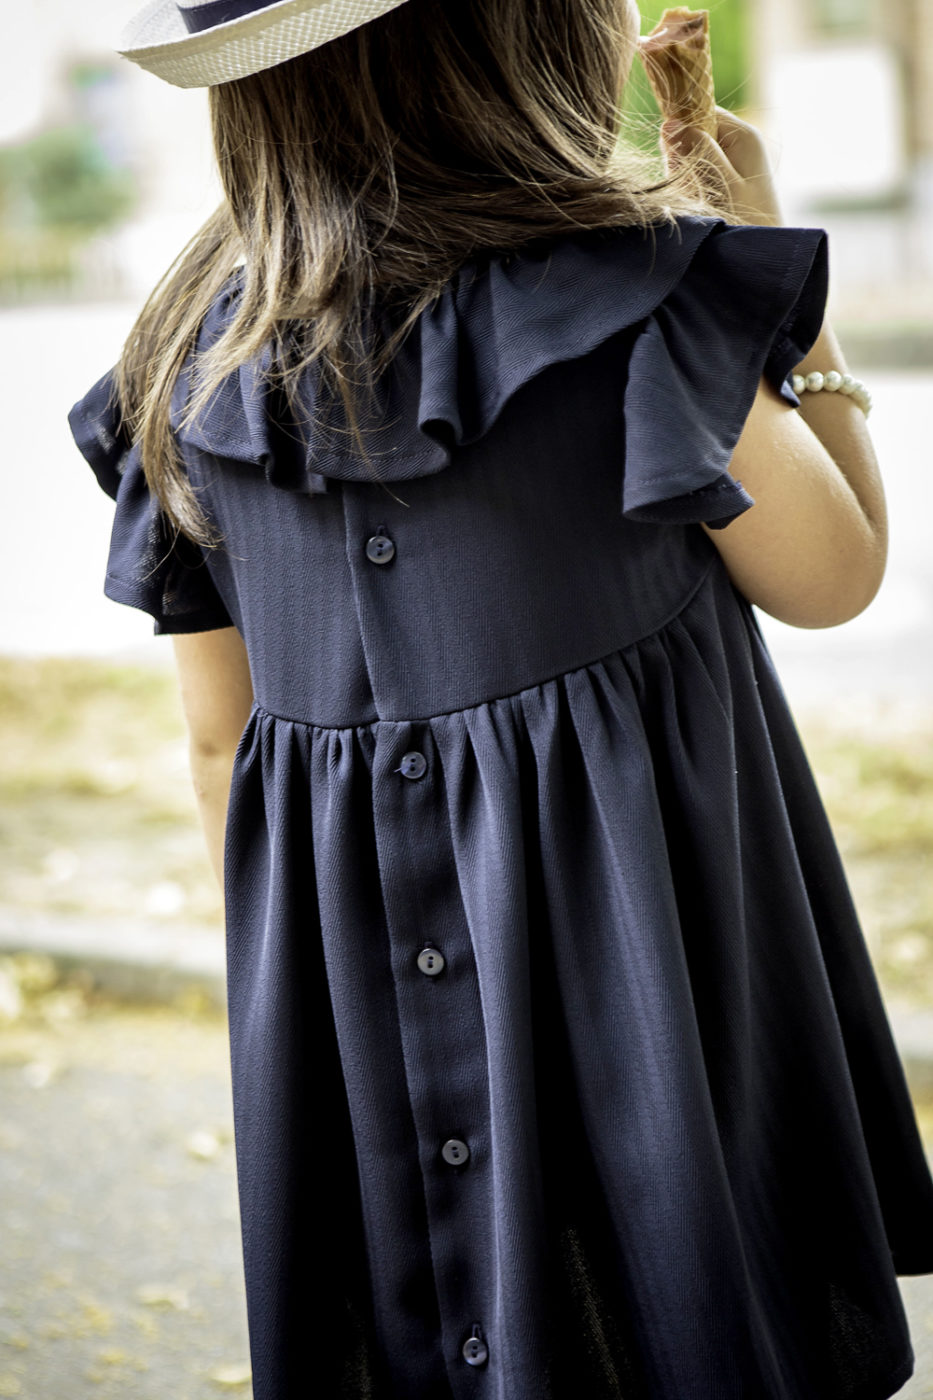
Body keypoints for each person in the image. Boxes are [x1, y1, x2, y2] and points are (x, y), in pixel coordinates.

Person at [68, 0, 933, 1396]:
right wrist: (789, 315)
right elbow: (833, 573)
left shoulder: (189, 360)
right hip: (655, 989)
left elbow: (221, 739)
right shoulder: (634, 290)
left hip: (356, 1024)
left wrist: (306, 1013)